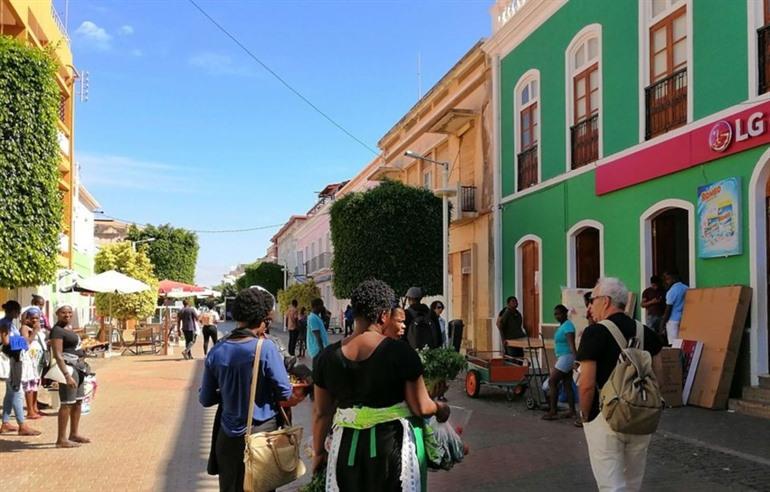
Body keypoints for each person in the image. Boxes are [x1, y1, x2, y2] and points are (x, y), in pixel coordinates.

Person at [311, 279, 449, 491]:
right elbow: (420, 407)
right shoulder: (400, 353)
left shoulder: (325, 358)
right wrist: (440, 408)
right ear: (384, 315)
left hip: (345, 448)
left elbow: (322, 412)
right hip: (391, 448)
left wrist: (319, 453)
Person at [199, 286, 293, 492]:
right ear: (262, 320)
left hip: (227, 439)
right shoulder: (265, 348)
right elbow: (285, 392)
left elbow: (205, 399)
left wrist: (227, 390)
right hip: (261, 437)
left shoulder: (217, 350)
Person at [576, 278, 663, 491]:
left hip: (605, 416)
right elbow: (658, 378)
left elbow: (586, 384)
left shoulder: (594, 333)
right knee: (633, 483)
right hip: (640, 417)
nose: (590, 306)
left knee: (611, 485)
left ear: (606, 301)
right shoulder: (648, 335)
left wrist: (585, 416)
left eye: (592, 300)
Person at [50, 305, 90, 447]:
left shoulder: (69, 328)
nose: (67, 315)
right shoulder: (57, 331)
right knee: (66, 403)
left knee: (78, 401)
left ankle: (74, 433)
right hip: (69, 368)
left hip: (79, 368)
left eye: (69, 312)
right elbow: (58, 355)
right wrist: (67, 375)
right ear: (57, 314)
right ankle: (61, 439)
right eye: (63, 312)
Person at [1, 301, 40, 436]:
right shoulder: (5, 324)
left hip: (14, 359)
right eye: (17, 312)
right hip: (11, 360)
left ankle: (5, 422)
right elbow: (6, 341)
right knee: (17, 392)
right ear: (14, 312)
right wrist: (29, 337)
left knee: (10, 393)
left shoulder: (9, 324)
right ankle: (22, 424)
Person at [542, 305, 577, 423]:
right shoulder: (563, 326)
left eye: (559, 314)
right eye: (555, 314)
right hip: (563, 357)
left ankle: (553, 411)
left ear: (565, 313)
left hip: (567, 357)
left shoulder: (568, 326)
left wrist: (576, 360)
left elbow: (572, 345)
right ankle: (572, 411)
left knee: (552, 381)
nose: (557, 316)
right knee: (567, 383)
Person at [20, 307, 45, 420]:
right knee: (29, 385)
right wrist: (34, 331)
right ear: (28, 318)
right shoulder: (25, 328)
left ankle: (35, 408)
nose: (35, 320)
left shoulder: (39, 329)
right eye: (32, 318)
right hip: (29, 361)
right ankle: (30, 410)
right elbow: (26, 343)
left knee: (35, 384)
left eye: (37, 318)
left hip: (37, 361)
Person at [661, 271, 689, 344]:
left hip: (673, 321)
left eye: (667, 279)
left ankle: (676, 355)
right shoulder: (686, 288)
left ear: (673, 279)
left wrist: (662, 324)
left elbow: (668, 310)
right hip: (685, 319)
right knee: (683, 342)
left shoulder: (671, 292)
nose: (666, 282)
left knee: (674, 343)